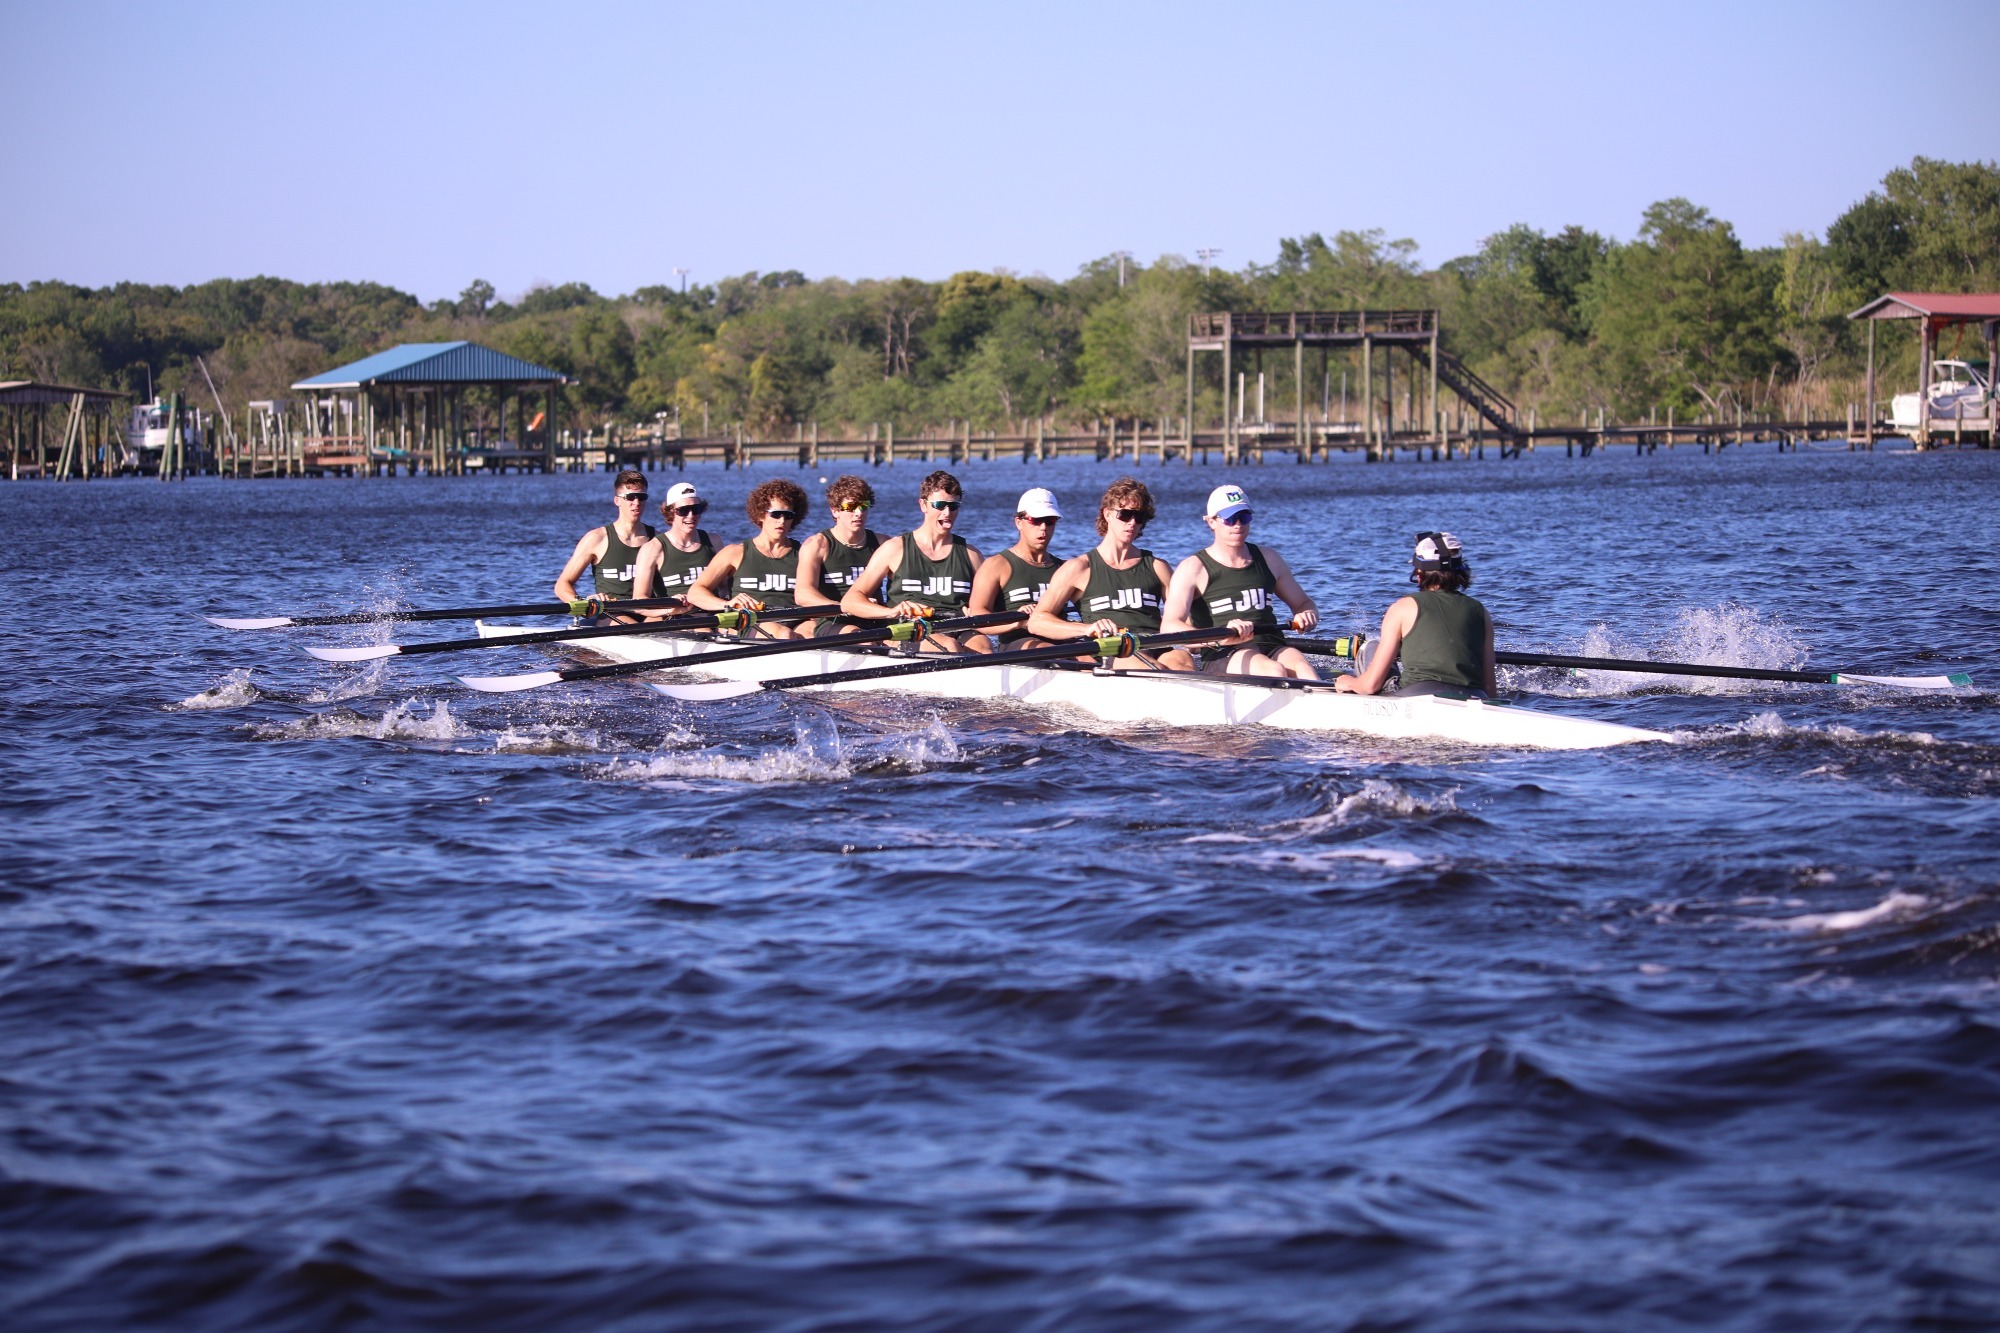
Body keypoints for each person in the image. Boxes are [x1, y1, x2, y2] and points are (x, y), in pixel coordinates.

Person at [1027, 477, 1194, 671]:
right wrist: (1087, 629)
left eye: (1139, 517)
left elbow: (1187, 622)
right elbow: (1037, 621)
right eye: (1125, 514)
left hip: (1157, 646)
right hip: (1115, 649)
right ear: (1107, 514)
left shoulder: (1158, 567)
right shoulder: (1079, 568)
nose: (1132, 522)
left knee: (1183, 660)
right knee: (1151, 669)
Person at [1161, 483, 1321, 679]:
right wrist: (1220, 636)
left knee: (1306, 672)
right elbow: (1169, 626)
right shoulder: (1192, 568)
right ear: (1212, 521)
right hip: (1225, 651)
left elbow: (1304, 603)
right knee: (1273, 670)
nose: (1238, 524)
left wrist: (1306, 615)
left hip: (1271, 643)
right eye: (1230, 518)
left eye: (1244, 517)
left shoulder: (1269, 558)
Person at [1335, 531, 1496, 697]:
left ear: (1419, 572)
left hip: (1415, 695)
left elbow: (1370, 686)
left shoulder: (1403, 607)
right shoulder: (1481, 612)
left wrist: (1350, 682)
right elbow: (1490, 691)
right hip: (1474, 696)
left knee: (1370, 647)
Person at [840, 469, 984, 652]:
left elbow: (990, 606)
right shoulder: (895, 549)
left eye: (953, 506)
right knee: (948, 647)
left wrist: (978, 610)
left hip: (958, 626)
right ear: (923, 505)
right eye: (939, 505)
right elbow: (850, 601)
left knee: (984, 647)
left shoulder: (971, 555)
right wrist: (891, 611)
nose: (947, 512)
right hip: (907, 627)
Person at [687, 478, 811, 638]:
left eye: (788, 515)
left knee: (816, 633)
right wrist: (727, 605)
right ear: (760, 515)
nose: (781, 521)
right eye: (776, 514)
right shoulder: (735, 553)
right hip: (750, 621)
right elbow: (695, 592)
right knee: (784, 634)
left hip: (795, 622)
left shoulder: (804, 553)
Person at [966, 487, 1064, 650]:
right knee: (1050, 650)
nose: (1043, 528)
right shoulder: (996, 565)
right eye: (1035, 520)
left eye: (1050, 521)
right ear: (1019, 522)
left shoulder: (1064, 568)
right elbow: (977, 619)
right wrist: (1017, 621)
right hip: (1018, 642)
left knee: (1087, 658)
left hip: (1060, 641)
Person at [553, 469, 657, 619]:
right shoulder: (597, 539)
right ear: (617, 501)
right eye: (630, 497)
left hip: (650, 613)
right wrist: (584, 605)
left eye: (641, 497)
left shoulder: (657, 539)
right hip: (611, 614)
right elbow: (562, 585)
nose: (636, 503)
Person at [794, 474, 882, 637]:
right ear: (835, 511)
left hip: (876, 619)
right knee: (863, 638)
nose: (858, 513)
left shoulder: (882, 543)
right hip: (836, 621)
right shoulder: (817, 545)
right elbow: (803, 595)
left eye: (863, 506)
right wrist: (846, 606)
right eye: (851, 507)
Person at [630, 481, 715, 618]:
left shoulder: (714, 542)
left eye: (696, 509)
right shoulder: (652, 549)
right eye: (683, 510)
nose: (691, 515)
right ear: (671, 513)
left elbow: (725, 589)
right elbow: (639, 604)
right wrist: (670, 610)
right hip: (677, 620)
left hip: (713, 617)